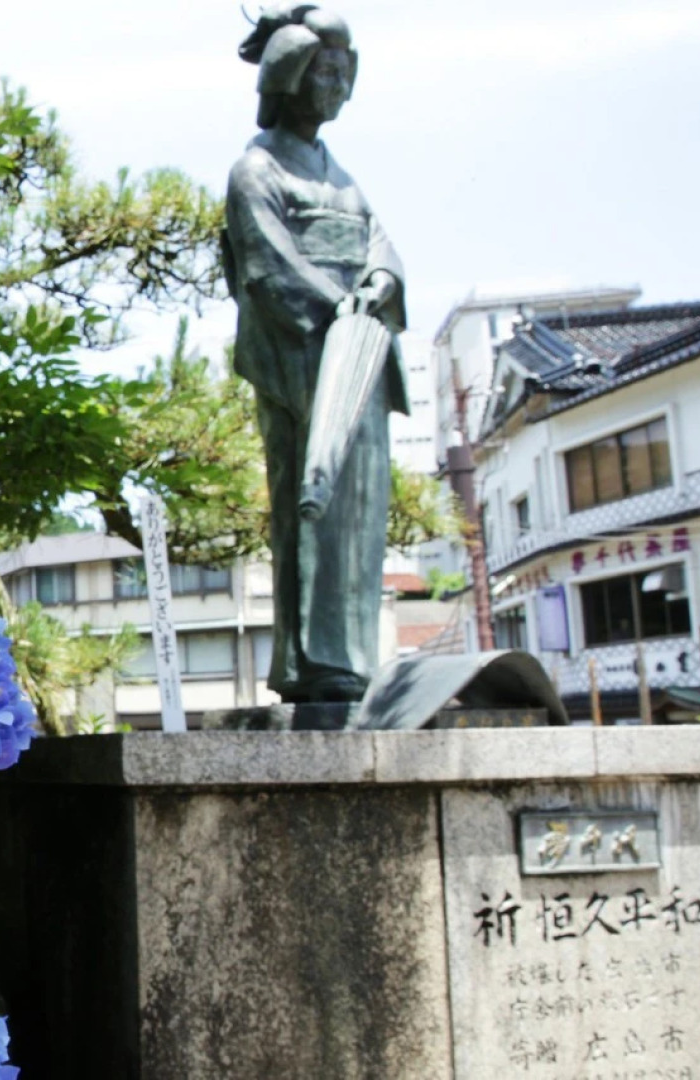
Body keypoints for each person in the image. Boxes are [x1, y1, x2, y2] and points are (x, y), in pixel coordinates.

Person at [222, 6, 406, 703]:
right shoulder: (255, 169)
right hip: (304, 356)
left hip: (357, 349)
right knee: (312, 498)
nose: (332, 83)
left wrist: (380, 282)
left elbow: (380, 243)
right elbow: (266, 268)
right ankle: (311, 661)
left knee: (361, 507)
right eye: (320, 69)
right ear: (288, 75)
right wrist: (336, 307)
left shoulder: (343, 178)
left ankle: (350, 654)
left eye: (341, 71)